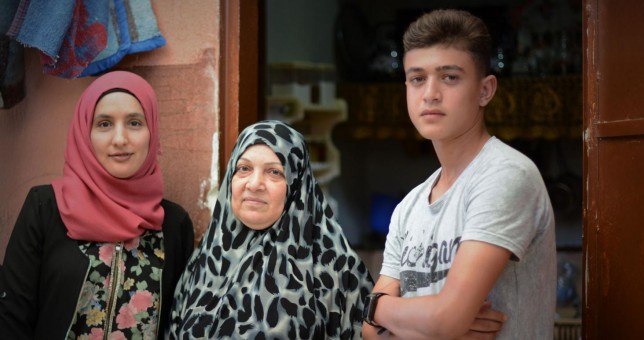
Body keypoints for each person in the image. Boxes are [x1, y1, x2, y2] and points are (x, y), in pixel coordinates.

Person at [362, 9, 556, 339]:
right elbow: (368, 332)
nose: (430, 93)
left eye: (449, 77)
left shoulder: (505, 176)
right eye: (417, 78)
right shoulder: (409, 207)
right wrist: (395, 318)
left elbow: (444, 320)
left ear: (485, 90)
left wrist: (374, 307)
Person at [0, 71, 195, 339]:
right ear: (84, 133)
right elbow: (11, 316)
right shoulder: (46, 208)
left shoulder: (172, 222)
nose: (119, 139)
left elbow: (179, 322)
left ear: (153, 132)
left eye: (135, 123)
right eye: (104, 124)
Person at [167, 120, 374, 339]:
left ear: (296, 185)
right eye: (244, 168)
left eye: (274, 172)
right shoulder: (204, 262)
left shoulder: (338, 270)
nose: (254, 184)